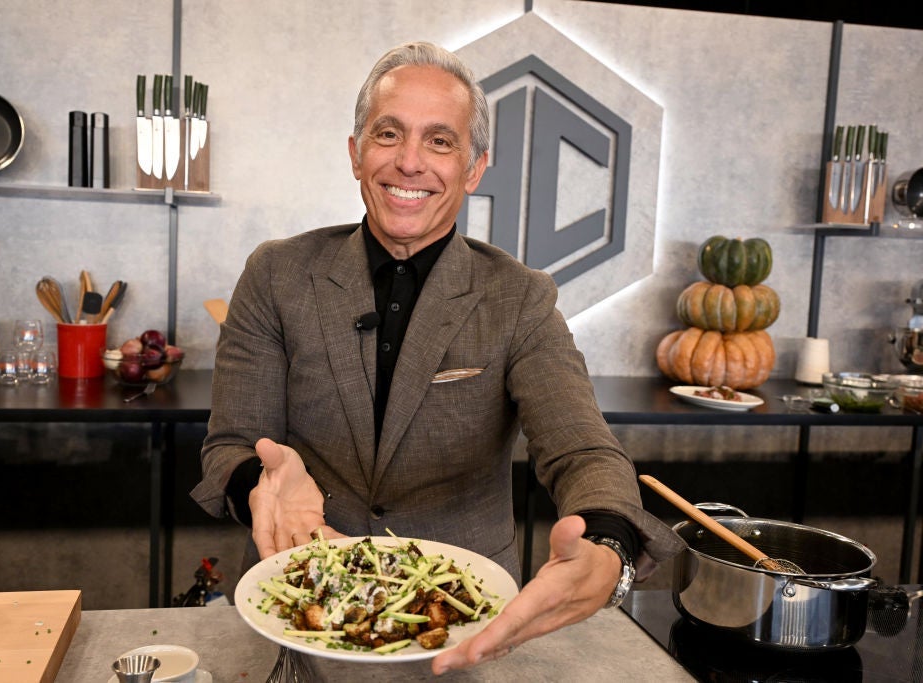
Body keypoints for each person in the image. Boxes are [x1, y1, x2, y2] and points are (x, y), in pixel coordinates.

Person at [191, 41, 683, 675]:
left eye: (440, 142)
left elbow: (582, 449)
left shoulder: (519, 297)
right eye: (388, 133)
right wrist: (258, 485)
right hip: (305, 609)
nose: (409, 161)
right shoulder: (277, 274)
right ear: (355, 153)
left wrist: (608, 541)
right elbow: (229, 443)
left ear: (475, 168)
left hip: (462, 625)